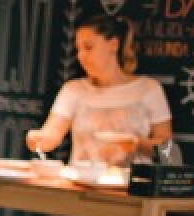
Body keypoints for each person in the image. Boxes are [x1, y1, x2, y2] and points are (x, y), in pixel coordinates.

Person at [26, 14, 173, 167]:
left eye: (89, 47)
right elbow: (53, 134)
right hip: (81, 184)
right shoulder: (73, 90)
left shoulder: (149, 89)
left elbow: (167, 149)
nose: (81, 56)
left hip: (132, 185)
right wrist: (39, 139)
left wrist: (137, 144)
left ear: (114, 44)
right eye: (78, 49)